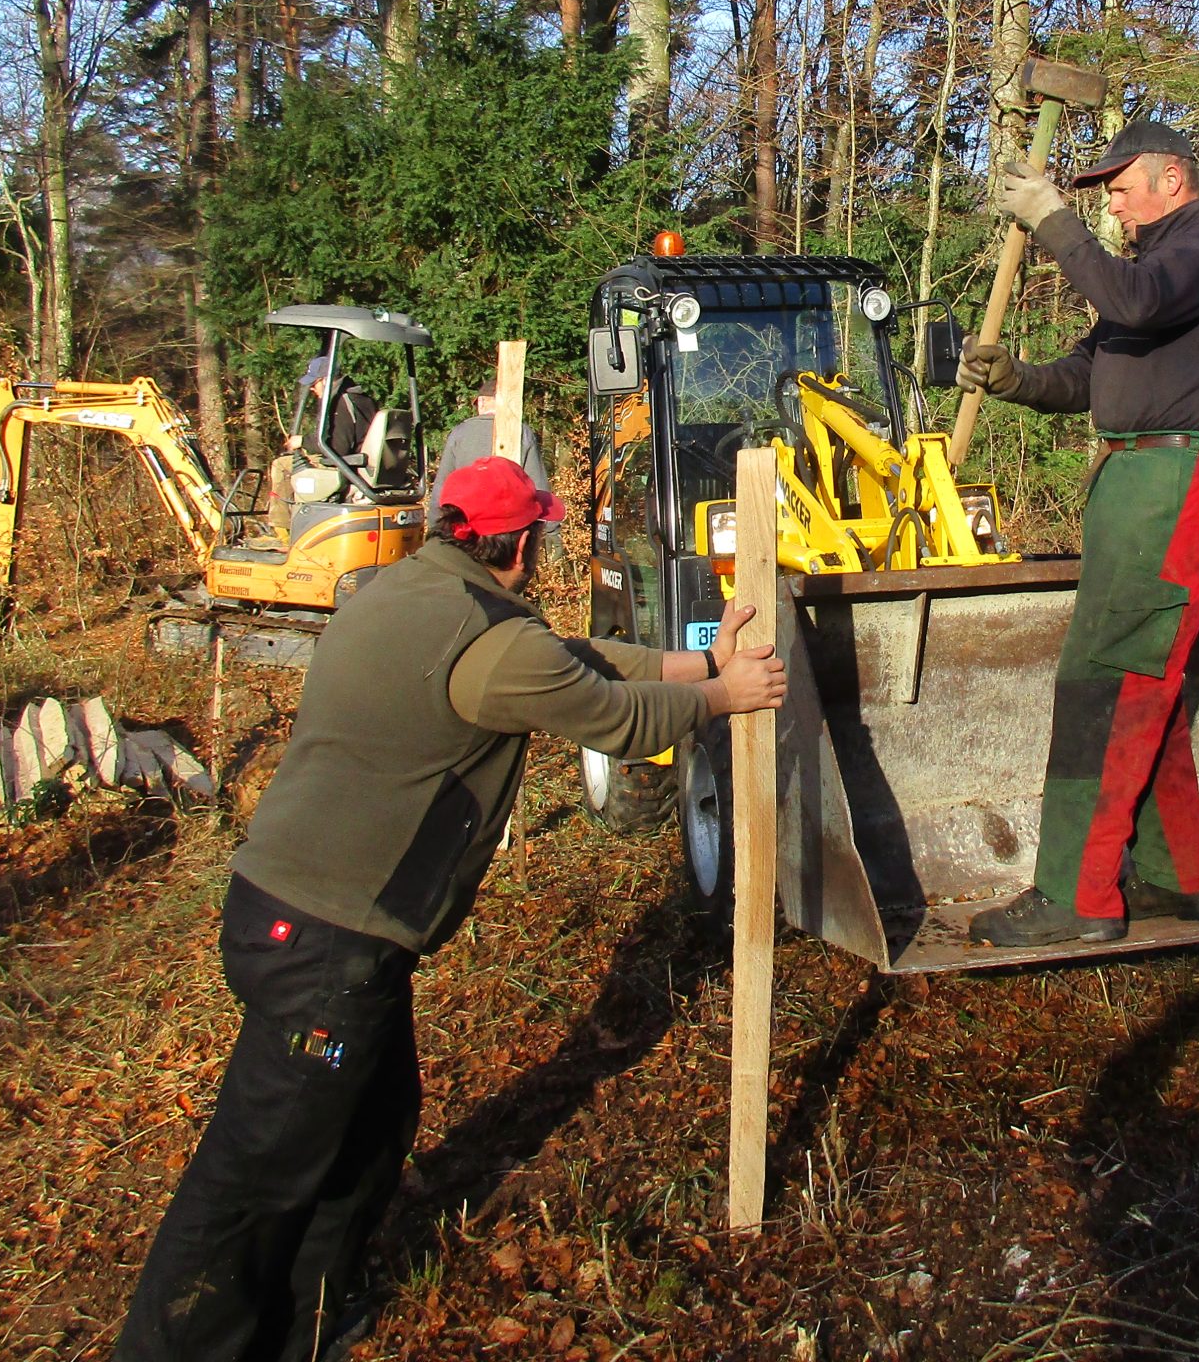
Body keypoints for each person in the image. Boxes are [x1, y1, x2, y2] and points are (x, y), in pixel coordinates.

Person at [116, 457, 787, 1362]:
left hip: (294, 915)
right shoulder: (490, 639)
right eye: (540, 535)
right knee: (255, 1174)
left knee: (375, 1118)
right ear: (518, 544)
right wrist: (722, 695)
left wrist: (705, 657)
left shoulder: (408, 593)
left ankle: (310, 1320)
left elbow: (575, 659)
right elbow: (617, 719)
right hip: (328, 945)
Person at [956, 119, 1199, 947]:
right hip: (1133, 480)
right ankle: (1178, 877)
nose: (1114, 206)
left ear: (1171, 177)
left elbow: (1134, 300)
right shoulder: (1152, 271)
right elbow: (1089, 374)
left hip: (1171, 483)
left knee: (1105, 682)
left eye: (1119, 188)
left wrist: (1053, 218)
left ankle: (1074, 896)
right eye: (1103, 196)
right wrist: (1016, 378)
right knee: (1142, 679)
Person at [266, 356, 381, 544]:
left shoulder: (340, 402)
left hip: (346, 467)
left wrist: (302, 441)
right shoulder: (362, 398)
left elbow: (337, 447)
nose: (312, 389)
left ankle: (283, 534)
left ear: (326, 380)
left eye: (314, 383)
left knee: (282, 465)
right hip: (360, 463)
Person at [427, 380, 549, 508]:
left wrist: (436, 524)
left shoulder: (460, 433)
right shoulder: (522, 432)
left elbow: (442, 487)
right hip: (511, 522)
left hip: (466, 521)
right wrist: (550, 527)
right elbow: (539, 488)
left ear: (481, 402)